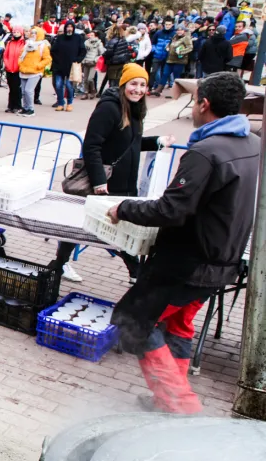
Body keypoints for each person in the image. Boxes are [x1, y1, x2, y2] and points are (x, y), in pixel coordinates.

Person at [108, 72, 260, 414]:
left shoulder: (207, 152)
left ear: (203, 104)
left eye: (194, 102)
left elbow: (172, 209)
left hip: (187, 264)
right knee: (176, 324)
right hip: (221, 262)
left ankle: (180, 406)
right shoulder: (253, 143)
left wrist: (123, 207)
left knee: (132, 321)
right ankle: (169, 401)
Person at [54, 63, 173, 283]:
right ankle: (61, 264)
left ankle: (60, 264)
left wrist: (157, 141)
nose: (137, 89)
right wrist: (99, 181)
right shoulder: (109, 108)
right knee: (98, 227)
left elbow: (130, 143)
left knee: (117, 227)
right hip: (106, 184)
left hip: (125, 183)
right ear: (123, 85)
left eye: (142, 85)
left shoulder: (135, 110)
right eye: (133, 84)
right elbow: (92, 145)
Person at [50, 20, 86, 112]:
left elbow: (82, 50)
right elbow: (53, 50)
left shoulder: (78, 38)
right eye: (67, 27)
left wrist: (78, 60)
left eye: (71, 27)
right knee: (58, 85)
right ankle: (60, 103)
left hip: (71, 66)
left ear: (73, 28)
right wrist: (57, 60)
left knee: (69, 86)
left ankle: (69, 103)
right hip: (59, 65)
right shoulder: (60, 38)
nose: (69, 29)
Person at [18, 27, 51, 116]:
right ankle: (25, 108)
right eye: (31, 33)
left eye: (34, 33)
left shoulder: (43, 46)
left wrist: (38, 66)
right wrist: (20, 64)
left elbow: (47, 59)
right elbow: (21, 55)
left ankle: (31, 109)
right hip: (24, 70)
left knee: (29, 90)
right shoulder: (27, 44)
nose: (32, 35)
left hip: (35, 72)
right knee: (23, 91)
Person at [155, 23, 192, 97]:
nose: (179, 31)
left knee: (176, 77)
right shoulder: (174, 37)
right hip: (170, 59)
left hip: (179, 60)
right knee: (165, 74)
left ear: (184, 31)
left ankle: (176, 92)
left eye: (181, 30)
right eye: (178, 30)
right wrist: (167, 48)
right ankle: (158, 90)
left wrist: (181, 52)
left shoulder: (186, 38)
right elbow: (170, 44)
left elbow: (190, 48)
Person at [101, 24, 132, 93]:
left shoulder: (112, 41)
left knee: (112, 80)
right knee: (119, 79)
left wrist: (105, 56)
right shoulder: (124, 40)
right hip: (122, 62)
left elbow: (109, 53)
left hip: (113, 63)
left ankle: (112, 93)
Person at [2, 26, 26, 113]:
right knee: (11, 88)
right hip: (9, 69)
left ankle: (17, 105)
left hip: (18, 69)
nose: (15, 34)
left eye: (17, 32)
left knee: (17, 88)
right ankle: (10, 106)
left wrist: (20, 66)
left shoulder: (24, 43)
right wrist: (7, 65)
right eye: (14, 32)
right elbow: (6, 55)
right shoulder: (9, 43)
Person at [149, 18, 176, 91]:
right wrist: (154, 50)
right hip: (157, 55)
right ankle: (150, 86)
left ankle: (159, 88)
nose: (167, 26)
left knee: (164, 73)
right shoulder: (158, 33)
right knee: (154, 71)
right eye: (166, 24)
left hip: (167, 56)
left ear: (172, 25)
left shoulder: (174, 34)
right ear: (164, 24)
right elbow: (153, 43)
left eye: (169, 24)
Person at [80, 29, 104, 100]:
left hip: (93, 63)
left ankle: (93, 91)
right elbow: (83, 51)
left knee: (90, 78)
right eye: (90, 35)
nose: (90, 36)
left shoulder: (99, 43)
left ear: (96, 36)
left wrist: (96, 59)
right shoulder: (86, 42)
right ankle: (86, 93)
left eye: (92, 35)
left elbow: (101, 53)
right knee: (85, 79)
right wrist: (83, 59)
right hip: (86, 62)